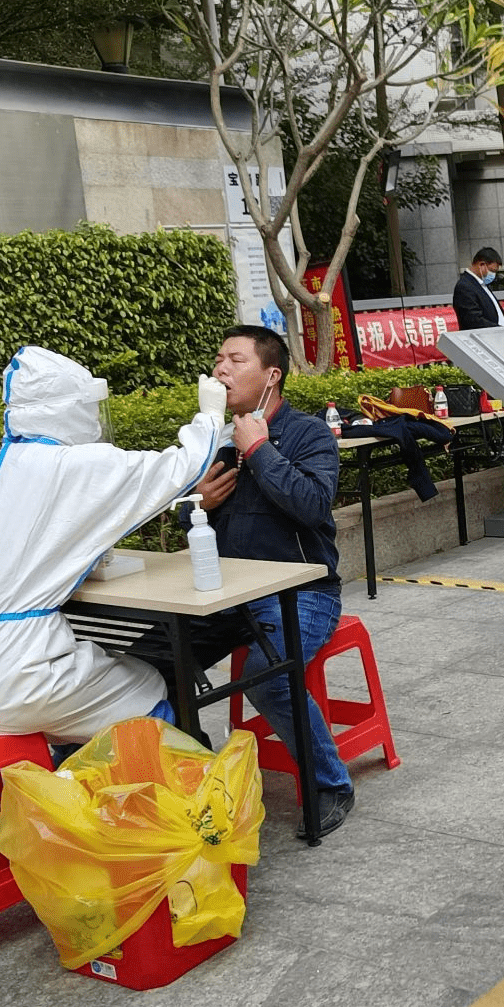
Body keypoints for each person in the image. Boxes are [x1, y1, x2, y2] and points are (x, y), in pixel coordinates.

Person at [0, 346, 222, 741]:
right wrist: (211, 417)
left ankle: (61, 782)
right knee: (146, 685)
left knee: (81, 689)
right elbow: (181, 468)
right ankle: (155, 795)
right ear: (71, 409)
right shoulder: (74, 464)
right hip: (11, 678)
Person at [131, 326, 355, 833]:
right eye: (218, 359)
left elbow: (313, 505)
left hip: (300, 592)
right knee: (148, 663)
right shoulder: (215, 438)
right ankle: (197, 772)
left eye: (235, 360)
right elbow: (195, 527)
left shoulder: (307, 434)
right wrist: (197, 506)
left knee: (270, 672)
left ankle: (329, 784)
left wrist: (259, 450)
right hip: (224, 594)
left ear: (271, 375)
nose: (220, 370)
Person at [452, 246, 504, 329]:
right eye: (492, 271)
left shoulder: (482, 284)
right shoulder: (465, 287)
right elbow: (473, 319)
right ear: (481, 265)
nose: (493, 275)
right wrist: (499, 328)